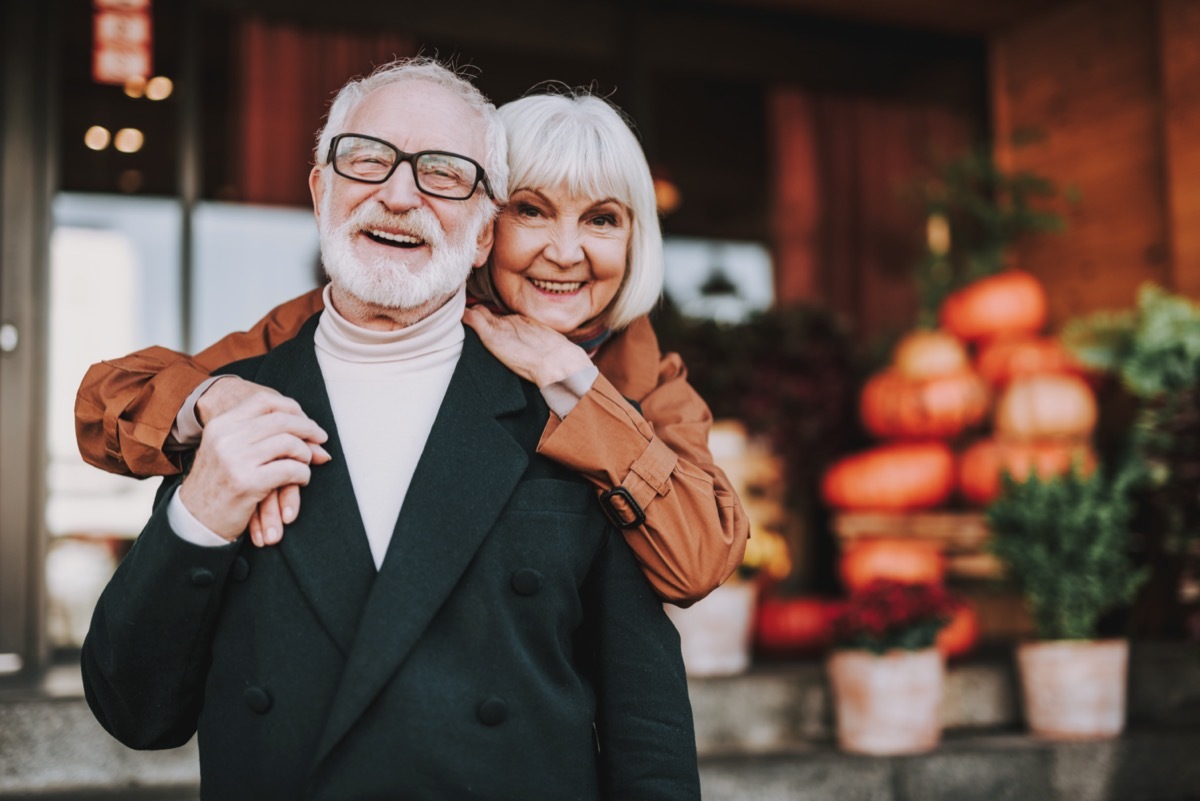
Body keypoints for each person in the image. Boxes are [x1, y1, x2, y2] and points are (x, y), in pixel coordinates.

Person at [81, 58, 700, 801]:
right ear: (320, 193)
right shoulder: (233, 406)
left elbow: (649, 729)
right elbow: (135, 710)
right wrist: (199, 515)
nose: (398, 194)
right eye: (367, 159)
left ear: (481, 231)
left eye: (442, 172)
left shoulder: (574, 411)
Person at [74, 90, 748, 608]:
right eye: (531, 211)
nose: (566, 251)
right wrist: (212, 396)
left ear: (635, 240)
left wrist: (573, 381)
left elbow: (695, 562)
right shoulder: (350, 324)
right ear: (483, 222)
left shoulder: (642, 368)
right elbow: (106, 402)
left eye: (602, 219)